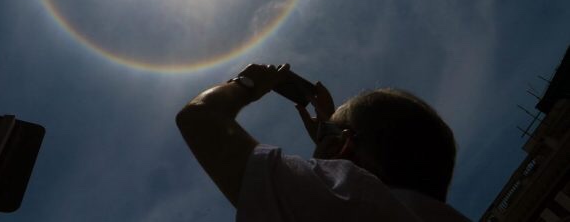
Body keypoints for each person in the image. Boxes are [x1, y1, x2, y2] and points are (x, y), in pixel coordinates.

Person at [176, 63, 471, 221]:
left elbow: (199, 118)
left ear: (339, 147)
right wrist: (331, 133)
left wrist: (245, 85)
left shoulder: (352, 199)